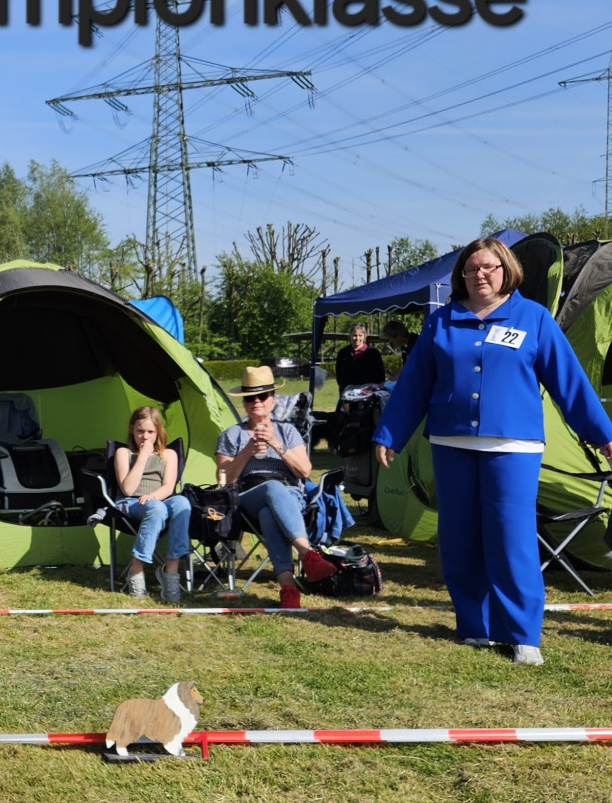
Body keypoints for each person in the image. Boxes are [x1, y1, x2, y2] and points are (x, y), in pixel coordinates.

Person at [374, 236, 612, 666]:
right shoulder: (442, 321)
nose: (480, 275)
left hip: (513, 446)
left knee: (512, 537)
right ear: (461, 276)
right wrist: (389, 434)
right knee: (459, 537)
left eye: (489, 267)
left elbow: (570, 381)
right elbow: (414, 382)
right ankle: (474, 626)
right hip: (451, 443)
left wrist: (603, 433)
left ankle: (522, 634)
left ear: (507, 271)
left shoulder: (534, 318)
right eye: (471, 269)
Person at [217, 366, 338, 609]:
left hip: (289, 495)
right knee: (271, 488)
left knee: (269, 512)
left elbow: (304, 471)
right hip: (247, 496)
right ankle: (308, 555)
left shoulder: (287, 431)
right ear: (244, 403)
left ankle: (288, 591)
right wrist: (247, 451)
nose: (256, 402)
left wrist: (276, 444)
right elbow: (224, 480)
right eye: (250, 397)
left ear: (272, 400)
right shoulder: (232, 435)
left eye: (262, 396)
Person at [112, 404, 191, 602]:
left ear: (158, 432)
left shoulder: (169, 454)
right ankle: (136, 570)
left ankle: (170, 571)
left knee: (182, 503)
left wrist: (153, 496)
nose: (145, 437)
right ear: (132, 429)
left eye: (150, 432)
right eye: (140, 431)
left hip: (158, 499)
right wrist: (143, 456)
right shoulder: (123, 453)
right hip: (130, 503)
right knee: (156, 508)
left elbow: (169, 487)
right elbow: (128, 489)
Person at [334, 322, 386, 387]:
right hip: (348, 390)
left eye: (360, 335)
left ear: (364, 336)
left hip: (368, 390)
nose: (357, 338)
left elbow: (381, 374)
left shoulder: (373, 352)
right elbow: (339, 374)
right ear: (350, 336)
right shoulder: (343, 353)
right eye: (354, 335)